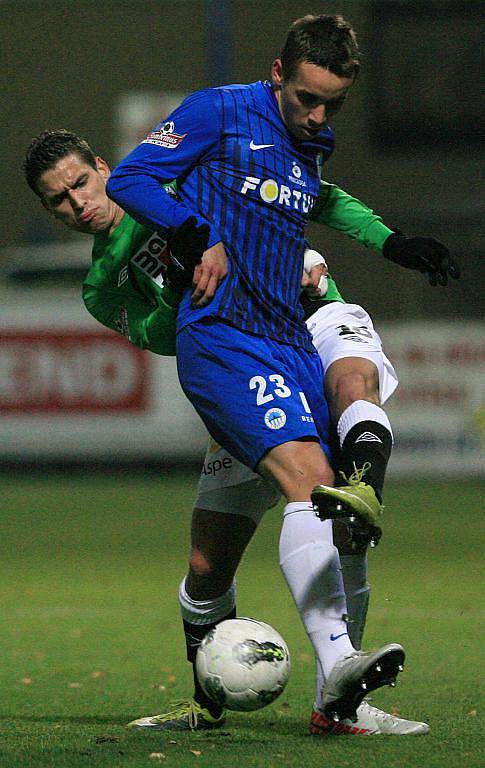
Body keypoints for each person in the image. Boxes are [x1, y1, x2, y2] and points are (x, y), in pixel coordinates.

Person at [24, 114, 445, 734]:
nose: (77, 203)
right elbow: (163, 337)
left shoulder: (177, 179)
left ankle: (341, 695)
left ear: (104, 170)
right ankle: (208, 699)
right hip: (239, 361)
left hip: (302, 323)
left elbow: (303, 195)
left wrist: (343, 245)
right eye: (58, 200)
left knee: (334, 473)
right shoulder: (101, 284)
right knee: (205, 564)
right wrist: (180, 283)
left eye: (81, 183)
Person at [105, 11, 460, 734]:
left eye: (332, 102)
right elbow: (134, 179)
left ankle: (338, 708)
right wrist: (192, 231)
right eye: (306, 98)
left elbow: (315, 199)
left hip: (287, 342)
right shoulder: (219, 112)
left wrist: (391, 243)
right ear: (277, 73)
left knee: (305, 531)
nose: (318, 114)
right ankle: (338, 670)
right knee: (313, 482)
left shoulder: (311, 138)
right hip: (226, 336)